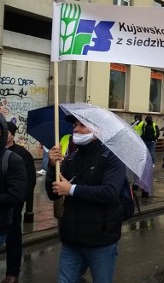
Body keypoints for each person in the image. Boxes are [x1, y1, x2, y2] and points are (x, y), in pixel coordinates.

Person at [45, 115, 128, 283]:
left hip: (101, 240)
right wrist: (52, 167)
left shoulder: (112, 158)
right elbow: (53, 193)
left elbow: (110, 192)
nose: (75, 129)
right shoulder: (71, 158)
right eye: (75, 125)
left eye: (82, 125)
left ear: (97, 130)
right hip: (71, 240)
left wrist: (72, 190)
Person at [3, 122, 35, 283]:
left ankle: (12, 273)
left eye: (7, 132)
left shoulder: (22, 155)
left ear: (11, 134)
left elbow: (30, 181)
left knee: (13, 239)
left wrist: (21, 199)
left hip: (13, 206)